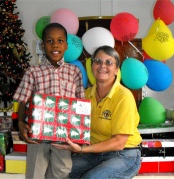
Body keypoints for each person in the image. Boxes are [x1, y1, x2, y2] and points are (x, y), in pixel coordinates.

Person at [52, 45, 142, 179]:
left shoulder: (123, 96)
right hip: (94, 153)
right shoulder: (86, 95)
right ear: (92, 66)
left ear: (116, 70)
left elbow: (119, 142)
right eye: (98, 61)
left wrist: (82, 150)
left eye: (109, 62)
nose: (102, 66)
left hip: (125, 154)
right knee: (62, 172)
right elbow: (73, 125)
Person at [13, 22, 85, 179]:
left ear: (66, 45)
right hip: (37, 133)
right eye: (49, 41)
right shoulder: (33, 71)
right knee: (36, 172)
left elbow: (80, 104)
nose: (55, 45)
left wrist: (80, 134)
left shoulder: (74, 72)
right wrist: (20, 123)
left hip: (64, 134)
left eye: (60, 41)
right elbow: (23, 100)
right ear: (42, 45)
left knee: (63, 170)